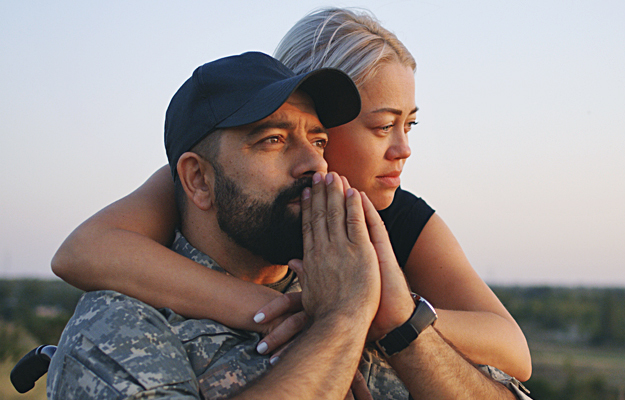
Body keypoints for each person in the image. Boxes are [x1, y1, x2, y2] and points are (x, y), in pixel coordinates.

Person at [52, 7, 531, 382]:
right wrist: (262, 307)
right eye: (384, 126)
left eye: (410, 124)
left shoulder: (399, 215)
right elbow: (84, 250)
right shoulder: (211, 182)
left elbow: (512, 348)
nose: (404, 149)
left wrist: (378, 313)